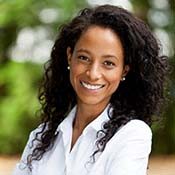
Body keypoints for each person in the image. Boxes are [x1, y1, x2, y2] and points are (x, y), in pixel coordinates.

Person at [13, 4, 169, 175]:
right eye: (84, 58)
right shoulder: (41, 137)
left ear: (124, 70)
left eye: (108, 63)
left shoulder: (131, 135)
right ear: (69, 56)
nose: (93, 74)